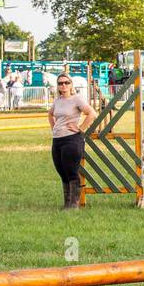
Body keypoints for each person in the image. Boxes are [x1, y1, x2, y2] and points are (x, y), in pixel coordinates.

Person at [49, 74, 96, 209]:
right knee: (61, 171)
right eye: (60, 83)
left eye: (66, 83)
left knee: (71, 171)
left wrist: (80, 128)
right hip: (57, 140)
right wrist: (54, 128)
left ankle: (73, 204)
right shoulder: (57, 101)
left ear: (71, 85)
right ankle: (67, 203)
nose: (63, 86)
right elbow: (50, 114)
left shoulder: (77, 100)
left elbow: (91, 113)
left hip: (72, 139)